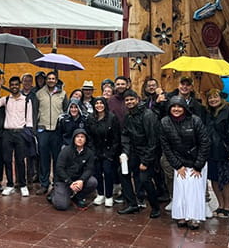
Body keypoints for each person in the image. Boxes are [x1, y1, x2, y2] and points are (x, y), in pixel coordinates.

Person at [160, 96, 210, 229]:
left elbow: (204, 142)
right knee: (180, 191)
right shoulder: (165, 122)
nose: (176, 109)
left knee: (195, 190)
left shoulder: (195, 120)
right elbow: (166, 146)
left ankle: (194, 217)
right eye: (173, 107)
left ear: (184, 108)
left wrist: (198, 165)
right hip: (179, 162)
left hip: (196, 162)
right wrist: (177, 165)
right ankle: (181, 216)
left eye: (179, 106)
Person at [117, 90, 161, 219]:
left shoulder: (148, 115)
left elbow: (153, 140)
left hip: (148, 153)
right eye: (127, 100)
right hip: (133, 152)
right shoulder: (128, 116)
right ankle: (132, 204)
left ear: (137, 99)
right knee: (122, 172)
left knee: (144, 179)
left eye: (132, 99)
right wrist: (125, 153)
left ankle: (155, 207)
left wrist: (146, 161)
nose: (129, 102)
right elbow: (125, 136)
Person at [205, 89, 229, 219]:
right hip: (211, 151)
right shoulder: (209, 112)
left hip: (225, 152)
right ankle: (220, 205)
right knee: (214, 179)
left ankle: (228, 207)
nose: (213, 100)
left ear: (221, 98)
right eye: (210, 98)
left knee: (225, 180)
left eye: (215, 97)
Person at [0, 76, 33, 197]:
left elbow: (29, 119)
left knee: (20, 160)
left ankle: (22, 185)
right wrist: (0, 86)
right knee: (7, 159)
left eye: (16, 84)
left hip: (21, 133)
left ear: (20, 85)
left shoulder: (27, 100)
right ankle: (10, 184)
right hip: (7, 133)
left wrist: (28, 133)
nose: (14, 87)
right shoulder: (6, 99)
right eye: (12, 85)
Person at [35, 71, 67, 195]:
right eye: (49, 78)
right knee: (44, 158)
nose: (51, 80)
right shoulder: (39, 94)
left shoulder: (62, 94)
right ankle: (44, 184)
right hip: (42, 130)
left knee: (57, 158)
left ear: (56, 80)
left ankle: (57, 183)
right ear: (46, 80)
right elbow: (35, 111)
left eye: (53, 78)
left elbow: (66, 111)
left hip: (57, 130)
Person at [86, 97, 120, 208]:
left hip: (109, 151)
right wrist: (92, 150)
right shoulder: (90, 118)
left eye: (101, 103)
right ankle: (100, 194)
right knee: (97, 173)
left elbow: (116, 137)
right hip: (95, 151)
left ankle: (109, 196)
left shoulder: (112, 118)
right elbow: (89, 136)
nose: (99, 105)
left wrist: (111, 152)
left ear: (105, 104)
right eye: (97, 103)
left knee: (108, 172)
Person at [51, 129, 97, 210]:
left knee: (92, 182)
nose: (80, 139)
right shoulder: (66, 151)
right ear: (73, 139)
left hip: (78, 179)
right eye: (77, 137)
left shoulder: (89, 153)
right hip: (64, 180)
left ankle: (78, 197)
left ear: (86, 139)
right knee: (61, 206)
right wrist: (69, 182)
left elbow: (89, 169)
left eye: (82, 137)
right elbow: (59, 168)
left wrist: (82, 180)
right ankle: (54, 193)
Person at [20, 73, 40, 185]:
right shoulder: (18, 95)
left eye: (29, 81)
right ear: (22, 82)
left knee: (32, 155)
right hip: (20, 128)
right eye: (25, 80)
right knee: (20, 155)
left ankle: (30, 177)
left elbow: (37, 111)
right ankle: (20, 179)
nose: (27, 83)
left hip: (32, 128)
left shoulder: (35, 95)